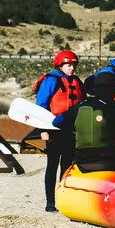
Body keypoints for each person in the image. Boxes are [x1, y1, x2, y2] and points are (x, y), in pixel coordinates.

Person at [50, 71, 115, 174]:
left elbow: (56, 122)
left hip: (82, 163)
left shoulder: (78, 106)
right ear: (114, 89)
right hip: (108, 162)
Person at [34, 50, 84, 212]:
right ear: (60, 65)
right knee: (52, 165)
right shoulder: (51, 81)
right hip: (53, 129)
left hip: (71, 130)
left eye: (73, 65)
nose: (72, 69)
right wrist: (43, 130)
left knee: (67, 165)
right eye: (68, 65)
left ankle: (64, 200)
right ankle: (50, 202)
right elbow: (40, 106)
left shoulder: (76, 81)